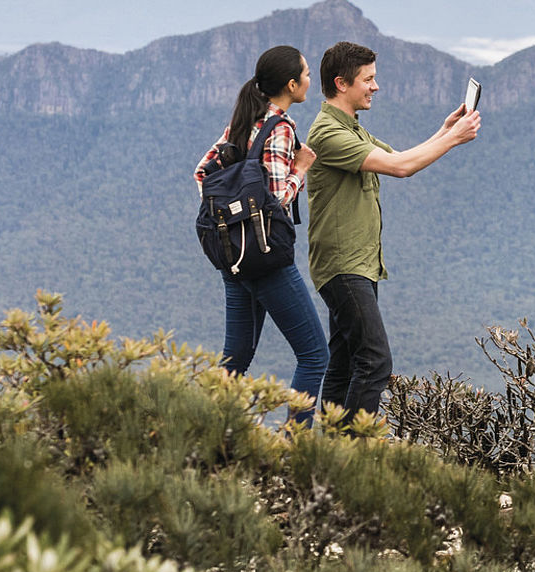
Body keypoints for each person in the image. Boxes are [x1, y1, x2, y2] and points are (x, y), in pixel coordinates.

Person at [306, 40, 480, 423]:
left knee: (345, 362)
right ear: (341, 83)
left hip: (358, 265)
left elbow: (398, 157)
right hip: (344, 266)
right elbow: (401, 168)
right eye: (368, 79)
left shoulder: (351, 129)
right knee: (375, 360)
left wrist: (444, 130)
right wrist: (455, 138)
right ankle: (356, 447)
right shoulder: (328, 134)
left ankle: (332, 447)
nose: (376, 86)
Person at [193, 45, 330, 426]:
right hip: (266, 260)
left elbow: (202, 174)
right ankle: (294, 444)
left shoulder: (243, 121)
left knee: (235, 357)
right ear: (291, 85)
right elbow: (276, 197)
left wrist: (231, 210)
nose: (309, 80)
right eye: (306, 74)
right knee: (314, 355)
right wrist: (301, 169)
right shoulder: (280, 128)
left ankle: (208, 432)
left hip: (233, 257)